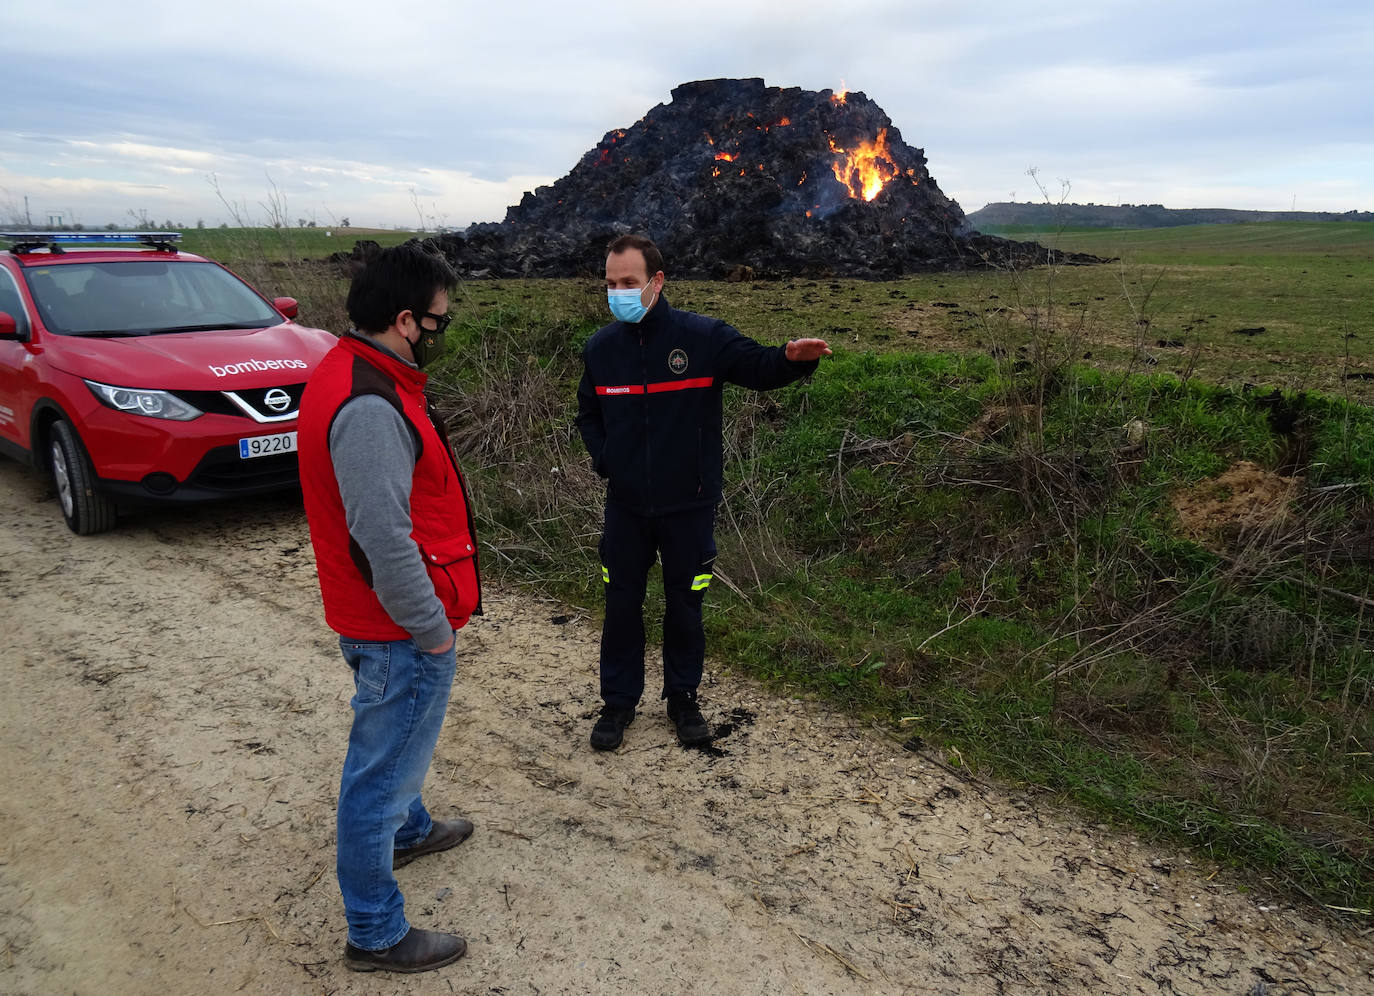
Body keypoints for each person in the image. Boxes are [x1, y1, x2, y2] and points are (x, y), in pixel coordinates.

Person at [298, 242, 482, 974]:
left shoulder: (358, 372)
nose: (443, 331)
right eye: (439, 319)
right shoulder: (369, 404)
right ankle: (374, 930)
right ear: (406, 320)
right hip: (396, 627)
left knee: (393, 759)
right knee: (378, 775)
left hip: (379, 619)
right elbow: (382, 537)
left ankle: (408, 831)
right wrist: (431, 631)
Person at [576, 234, 831, 751]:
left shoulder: (701, 338)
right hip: (625, 507)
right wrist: (608, 461)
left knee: (684, 606)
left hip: (688, 506)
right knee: (621, 604)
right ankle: (618, 703)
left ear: (657, 281)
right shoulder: (601, 349)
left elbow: (758, 366)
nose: (618, 293)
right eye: (611, 284)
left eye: (629, 283)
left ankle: (683, 699)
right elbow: (588, 415)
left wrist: (792, 358)